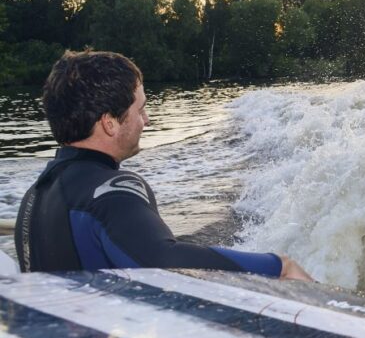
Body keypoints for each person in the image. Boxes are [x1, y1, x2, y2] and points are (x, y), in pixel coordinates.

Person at [14, 51, 314, 281]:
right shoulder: (110, 190)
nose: (147, 120)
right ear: (109, 123)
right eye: (140, 109)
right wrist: (278, 265)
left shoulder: (36, 196)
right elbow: (161, 258)